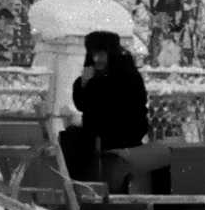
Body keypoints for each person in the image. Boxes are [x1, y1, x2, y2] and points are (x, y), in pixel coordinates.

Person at [61, 30, 148, 180]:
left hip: (124, 133)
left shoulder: (127, 76)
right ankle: (78, 184)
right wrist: (84, 83)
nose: (97, 59)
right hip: (97, 134)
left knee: (77, 142)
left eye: (101, 54)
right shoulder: (93, 76)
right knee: (69, 138)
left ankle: (86, 184)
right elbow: (82, 104)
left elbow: (116, 108)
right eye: (94, 54)